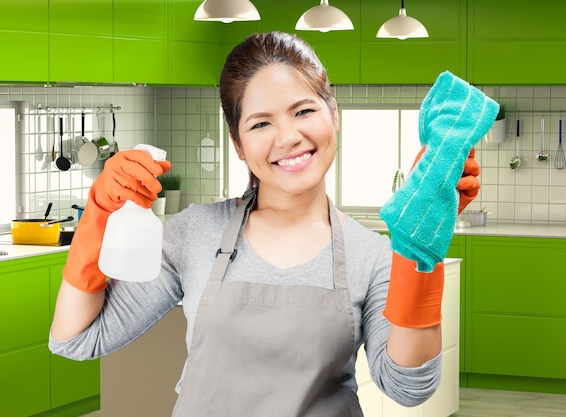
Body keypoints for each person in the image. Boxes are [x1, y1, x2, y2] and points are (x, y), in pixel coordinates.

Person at [50, 31, 498, 416]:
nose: (288, 137)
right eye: (261, 122)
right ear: (238, 144)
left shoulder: (374, 255)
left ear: (333, 113)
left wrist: (421, 245)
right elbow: (78, 339)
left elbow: (407, 387)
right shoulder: (194, 234)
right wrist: (99, 219)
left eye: (304, 111)